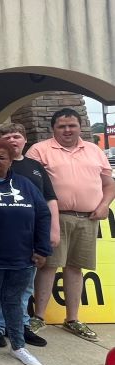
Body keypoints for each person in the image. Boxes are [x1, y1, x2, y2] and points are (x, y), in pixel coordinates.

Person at [26, 108, 115, 342]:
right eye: (62, 126)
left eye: (72, 125)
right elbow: (34, 185)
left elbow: (109, 183)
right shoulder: (39, 151)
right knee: (48, 266)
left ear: (79, 127)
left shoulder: (95, 151)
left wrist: (105, 204)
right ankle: (38, 316)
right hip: (56, 217)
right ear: (53, 128)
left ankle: (72, 318)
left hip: (88, 218)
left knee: (76, 268)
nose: (67, 130)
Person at [0, 139, 51, 365]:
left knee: (14, 301)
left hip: (22, 256)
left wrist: (42, 248)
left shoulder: (25, 184)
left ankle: (18, 346)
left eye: (1, 157)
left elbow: (43, 215)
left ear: (10, 161)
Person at [0, 123, 59, 346]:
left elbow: (49, 199)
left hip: (29, 237)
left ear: (24, 140)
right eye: (7, 137)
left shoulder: (35, 167)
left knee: (24, 287)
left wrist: (53, 229)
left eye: (17, 136)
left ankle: (19, 326)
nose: (13, 140)